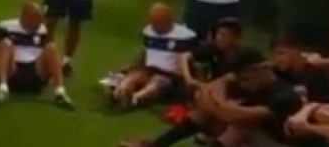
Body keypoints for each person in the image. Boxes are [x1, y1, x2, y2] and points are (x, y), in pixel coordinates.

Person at [119, 46, 303, 147]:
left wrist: (218, 105)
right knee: (204, 113)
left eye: (245, 79)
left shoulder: (284, 95)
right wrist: (218, 105)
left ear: (259, 70)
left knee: (240, 127)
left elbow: (237, 116)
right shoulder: (246, 81)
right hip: (253, 138)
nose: (242, 84)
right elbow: (208, 89)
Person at [0, 2, 73, 109]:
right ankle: (3, 88)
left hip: (35, 73)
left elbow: (48, 57)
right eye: (34, 20)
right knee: (6, 44)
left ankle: (60, 92)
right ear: (24, 18)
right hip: (12, 70)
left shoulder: (43, 30)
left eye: (39, 20)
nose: (37, 24)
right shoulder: (5, 27)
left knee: (51, 47)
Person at [111, 3, 196, 108]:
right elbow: (145, 53)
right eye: (154, 24)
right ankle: (121, 91)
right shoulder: (148, 32)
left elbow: (187, 60)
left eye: (159, 24)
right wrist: (127, 68)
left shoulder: (185, 36)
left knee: (157, 82)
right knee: (135, 76)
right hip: (149, 69)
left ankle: (135, 99)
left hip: (169, 74)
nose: (156, 28)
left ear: (169, 20)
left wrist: (185, 79)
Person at [270, 34, 329, 103]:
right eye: (274, 55)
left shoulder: (318, 76)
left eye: (281, 53)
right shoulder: (275, 75)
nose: (277, 59)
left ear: (296, 51)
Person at [180, 17, 244, 87]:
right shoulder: (211, 47)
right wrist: (188, 78)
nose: (220, 38)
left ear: (235, 38)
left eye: (226, 35)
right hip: (211, 86)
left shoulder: (245, 54)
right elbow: (185, 56)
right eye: (219, 33)